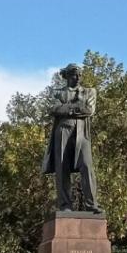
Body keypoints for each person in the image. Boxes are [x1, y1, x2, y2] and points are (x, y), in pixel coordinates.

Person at [41, 63, 100, 212]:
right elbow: (54, 109)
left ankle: (91, 205)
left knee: (87, 166)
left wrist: (66, 108)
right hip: (62, 131)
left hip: (81, 132)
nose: (78, 77)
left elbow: (89, 110)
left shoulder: (89, 92)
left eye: (80, 74)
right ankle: (65, 205)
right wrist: (76, 107)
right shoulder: (57, 93)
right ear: (66, 76)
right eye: (74, 74)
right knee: (62, 168)